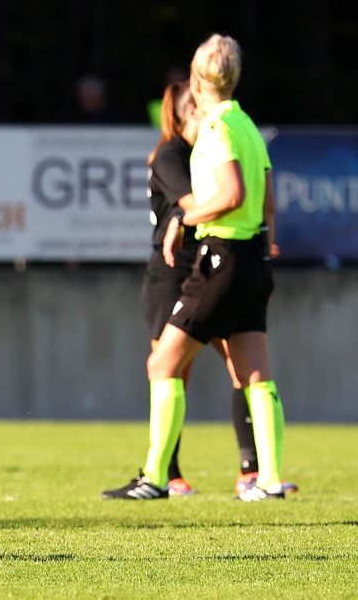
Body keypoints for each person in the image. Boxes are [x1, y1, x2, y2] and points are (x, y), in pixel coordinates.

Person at [102, 34, 288, 501]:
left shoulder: (215, 128)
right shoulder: (246, 124)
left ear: (197, 76)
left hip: (220, 258)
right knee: (256, 374)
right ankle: (267, 481)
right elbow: (266, 202)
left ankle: (156, 478)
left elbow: (231, 195)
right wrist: (263, 241)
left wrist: (184, 218)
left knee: (162, 362)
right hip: (254, 258)